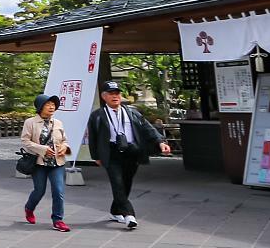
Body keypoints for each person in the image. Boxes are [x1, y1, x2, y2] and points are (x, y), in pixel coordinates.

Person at [88, 81, 171, 230]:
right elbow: (93, 138)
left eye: (117, 93)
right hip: (111, 153)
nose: (115, 96)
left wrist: (160, 142)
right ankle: (129, 215)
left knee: (126, 183)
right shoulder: (97, 116)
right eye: (111, 94)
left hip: (131, 151)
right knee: (117, 183)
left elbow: (147, 128)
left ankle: (115, 211)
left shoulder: (132, 112)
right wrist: (96, 156)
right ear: (104, 96)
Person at [22, 94, 71, 232]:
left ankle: (58, 220)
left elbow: (64, 140)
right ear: (40, 107)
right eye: (48, 104)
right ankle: (29, 208)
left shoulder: (58, 123)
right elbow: (25, 142)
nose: (52, 107)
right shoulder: (30, 122)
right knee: (39, 191)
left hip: (57, 163)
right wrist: (42, 149)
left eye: (53, 105)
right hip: (39, 163)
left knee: (58, 191)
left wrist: (64, 147)